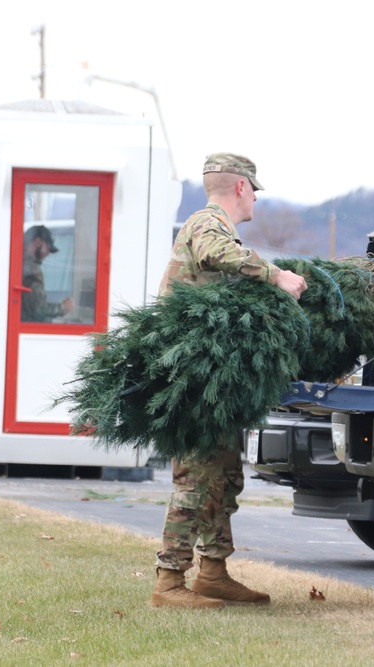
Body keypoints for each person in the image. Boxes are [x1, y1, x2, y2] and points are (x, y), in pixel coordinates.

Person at [150, 153, 308, 609]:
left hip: (210, 377)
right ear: (240, 187)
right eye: (254, 188)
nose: (256, 196)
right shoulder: (207, 225)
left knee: (221, 474)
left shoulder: (218, 228)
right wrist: (276, 276)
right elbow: (216, 253)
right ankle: (169, 581)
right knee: (197, 476)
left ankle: (213, 573)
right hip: (193, 379)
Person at [21, 225, 74, 322]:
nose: (48, 254)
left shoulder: (21, 263)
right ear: (38, 242)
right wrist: (63, 308)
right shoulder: (31, 269)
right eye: (48, 248)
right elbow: (38, 309)